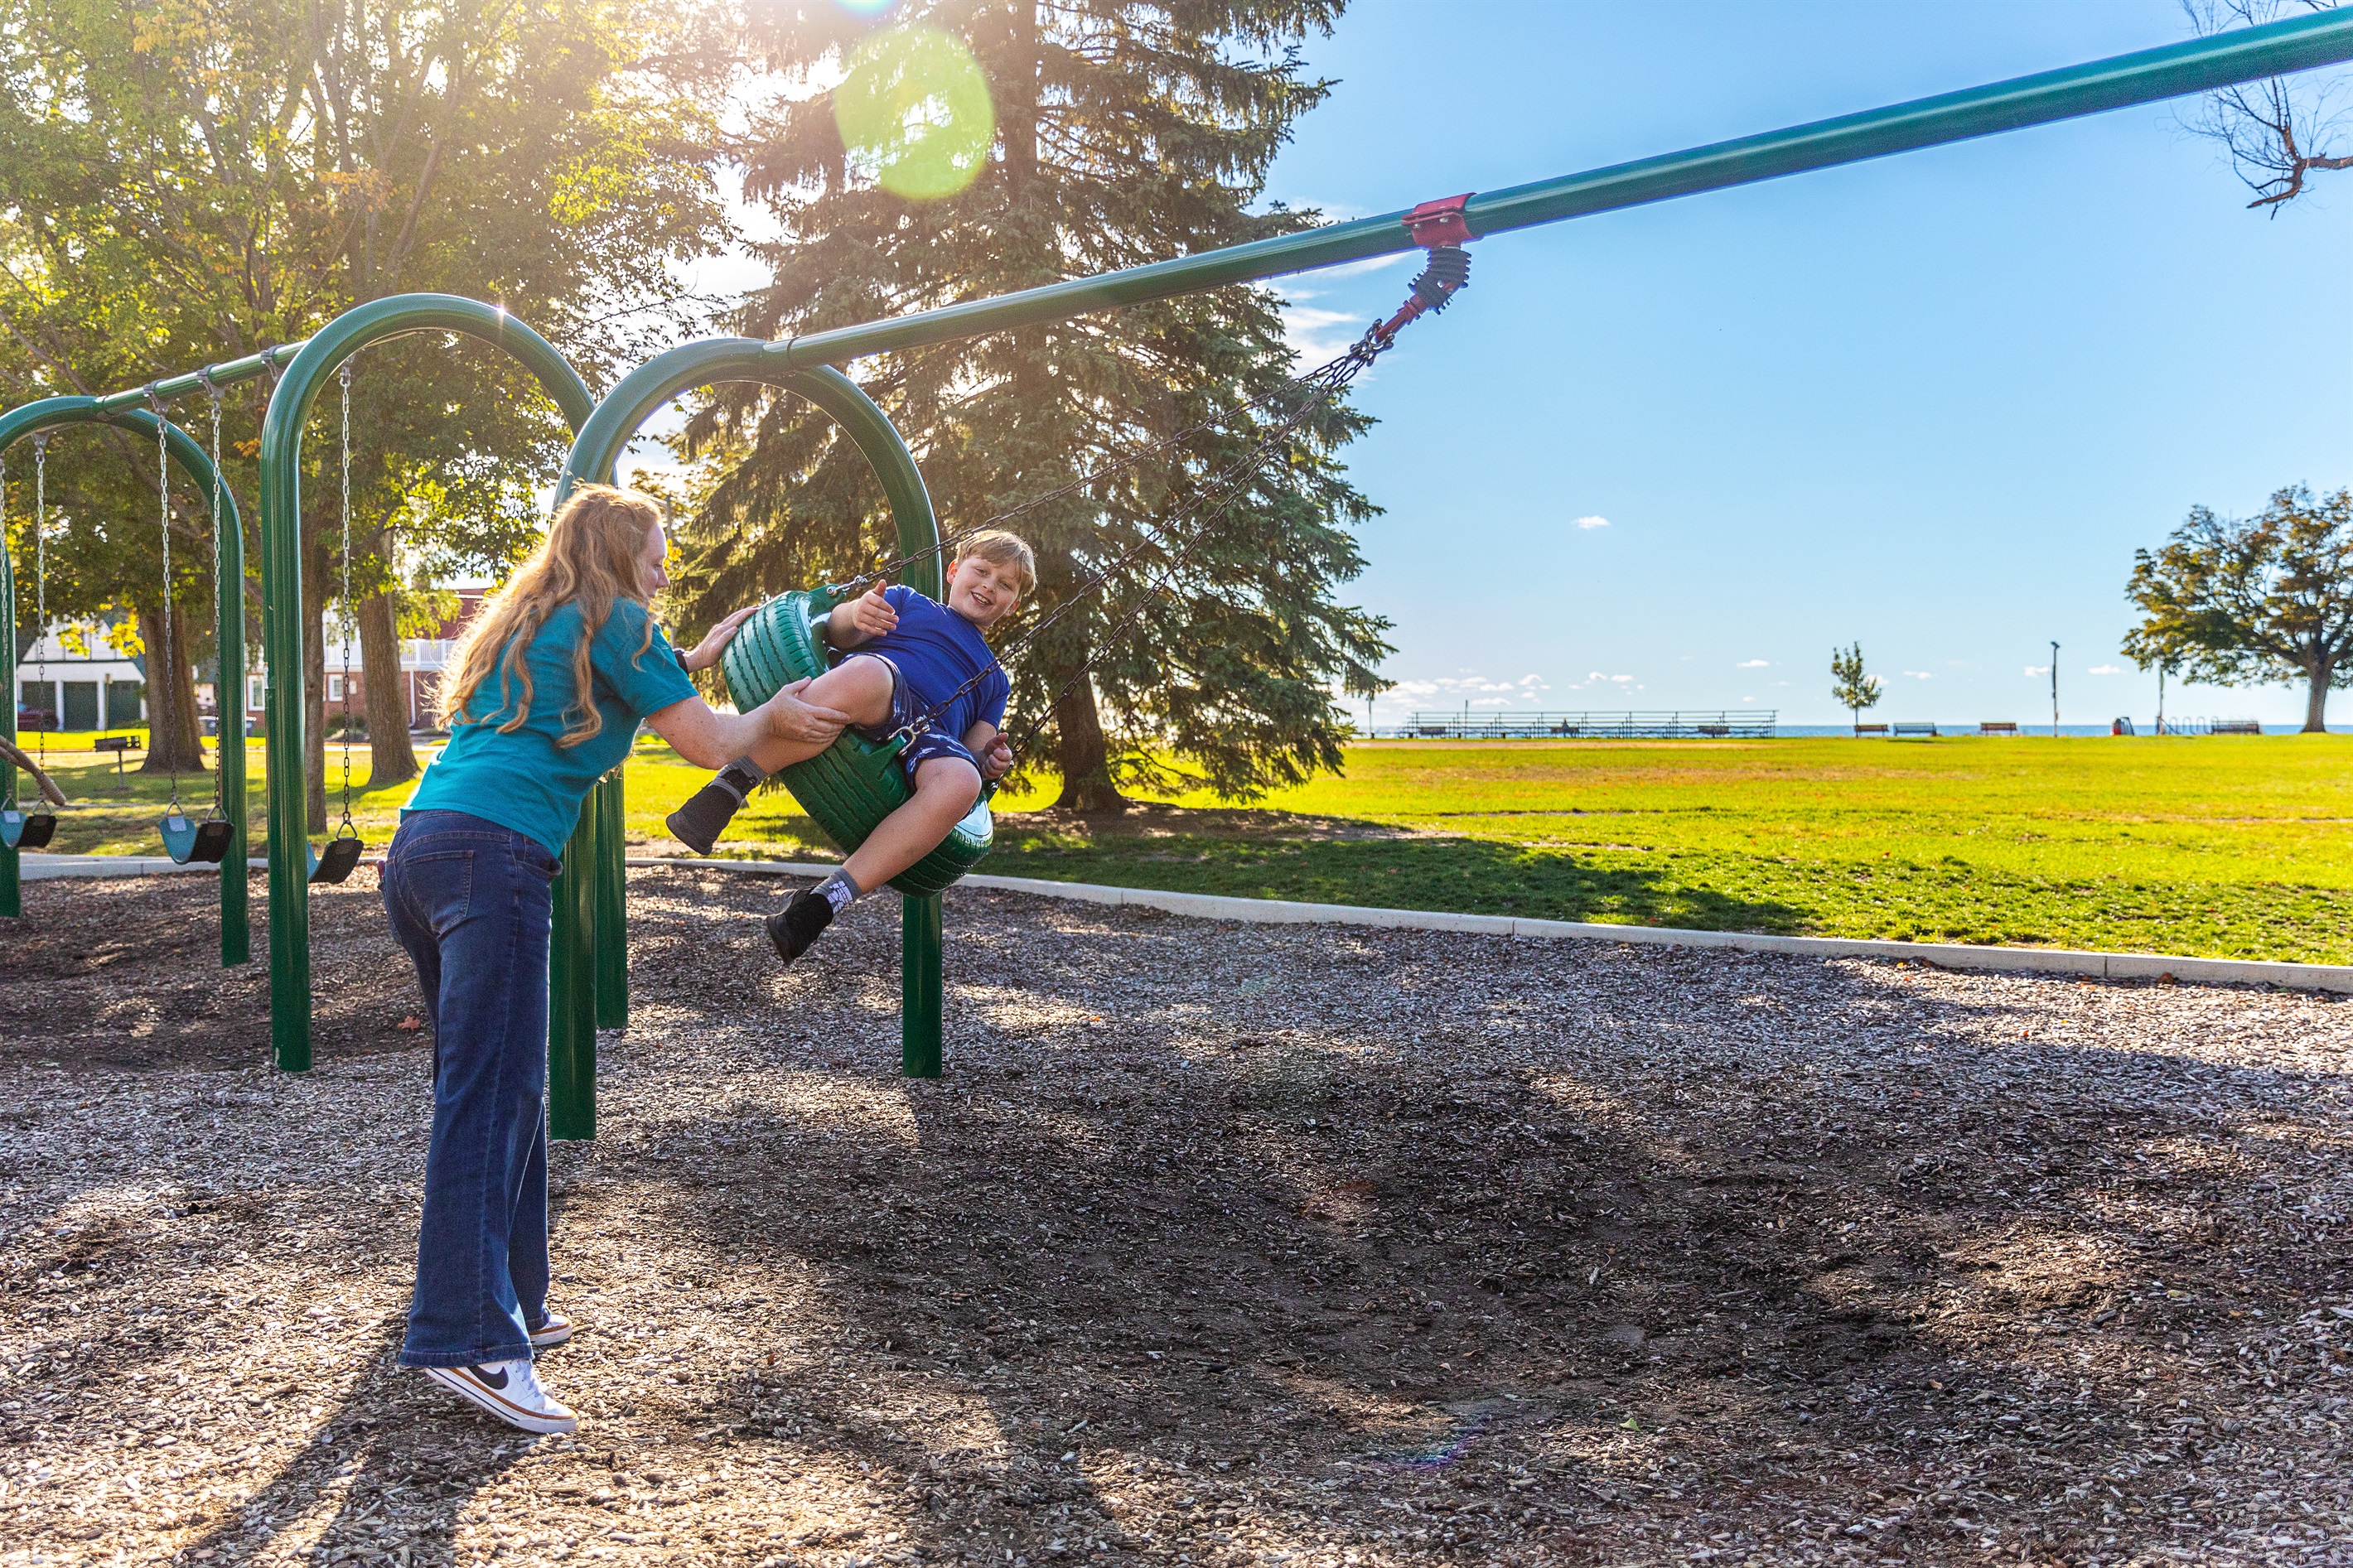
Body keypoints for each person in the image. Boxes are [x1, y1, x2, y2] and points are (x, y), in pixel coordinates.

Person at [383, 483, 845, 1435]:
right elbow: (705, 740)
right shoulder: (622, 623)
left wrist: (702, 655)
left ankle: (513, 1298)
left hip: (422, 850)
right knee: (489, 1093)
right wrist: (772, 710)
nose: (666, 570)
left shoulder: (536, 620)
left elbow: (634, 679)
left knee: (495, 1084)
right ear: (620, 551)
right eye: (658, 553)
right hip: (496, 857)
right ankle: (468, 1337)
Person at [664, 529, 1032, 963]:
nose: (989, 585)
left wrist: (989, 763)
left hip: (929, 736)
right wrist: (859, 613)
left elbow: (973, 748)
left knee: (961, 780)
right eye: (982, 571)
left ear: (1014, 604)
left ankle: (824, 902)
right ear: (954, 570)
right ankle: (730, 786)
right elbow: (835, 630)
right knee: (868, 676)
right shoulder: (909, 601)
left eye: (1005, 584)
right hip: (882, 688)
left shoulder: (995, 679)